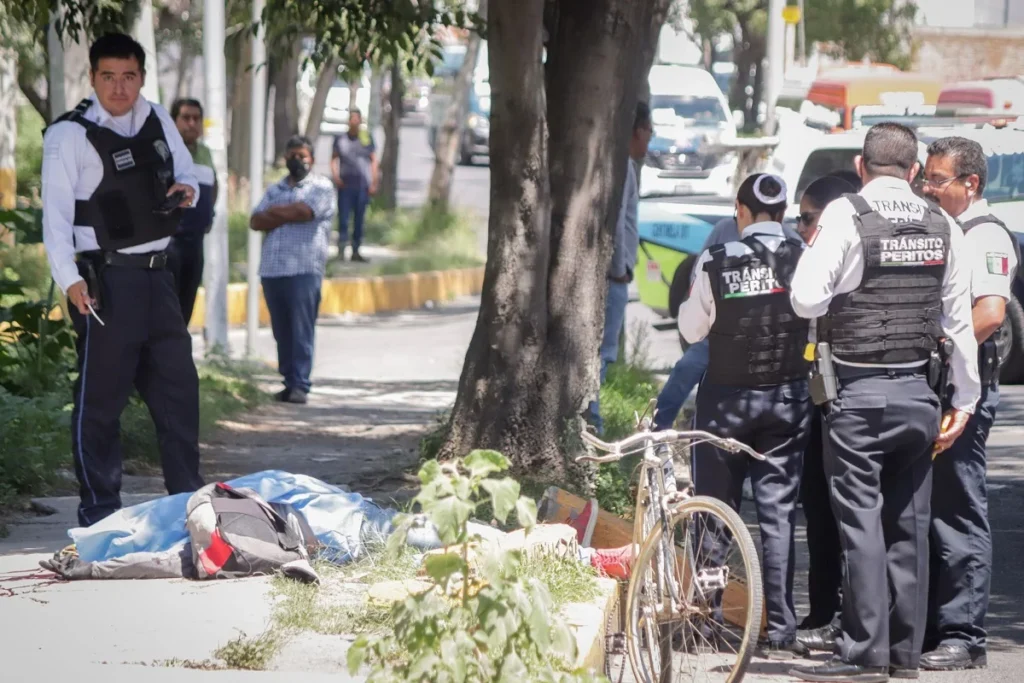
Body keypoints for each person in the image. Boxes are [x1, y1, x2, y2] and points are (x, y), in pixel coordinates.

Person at [788, 122, 981, 683]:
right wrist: (964, 401)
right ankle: (903, 655)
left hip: (858, 393)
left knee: (861, 524)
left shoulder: (847, 216)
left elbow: (805, 298)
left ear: (860, 165)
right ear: (916, 170)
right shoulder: (944, 223)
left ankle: (864, 654)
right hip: (921, 396)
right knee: (909, 524)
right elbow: (959, 325)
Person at [41, 33, 204, 528]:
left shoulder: (157, 118)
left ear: (141, 78)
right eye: (108, 77)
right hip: (105, 285)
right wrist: (70, 282)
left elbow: (189, 173)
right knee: (101, 406)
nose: (119, 87)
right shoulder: (68, 135)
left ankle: (188, 507)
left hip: (159, 280)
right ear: (92, 78)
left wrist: (187, 190)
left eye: (129, 76)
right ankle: (99, 514)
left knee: (179, 396)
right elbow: (55, 219)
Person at [681, 172, 812, 659]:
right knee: (778, 517)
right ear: (782, 215)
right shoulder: (804, 259)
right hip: (786, 401)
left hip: (724, 405)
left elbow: (693, 330)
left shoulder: (715, 260)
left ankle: (705, 621)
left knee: (714, 515)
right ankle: (779, 627)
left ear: (740, 210)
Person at [919, 136, 1019, 671]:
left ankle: (963, 635)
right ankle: (936, 626)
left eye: (937, 180)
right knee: (931, 510)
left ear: (970, 184)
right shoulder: (950, 228)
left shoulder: (985, 235)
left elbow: (989, 314)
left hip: (964, 387)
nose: (928, 189)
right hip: (941, 382)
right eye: (927, 179)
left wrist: (937, 354)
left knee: (958, 509)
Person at [791, 174, 859, 651]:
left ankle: (853, 615)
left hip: (855, 396)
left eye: (807, 217)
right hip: (821, 392)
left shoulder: (849, 253)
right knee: (816, 502)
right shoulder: (810, 253)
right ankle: (823, 609)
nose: (799, 227)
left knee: (850, 512)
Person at [653, 217, 805, 431]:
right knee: (685, 369)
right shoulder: (724, 229)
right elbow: (699, 272)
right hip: (719, 329)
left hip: (765, 334)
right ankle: (657, 428)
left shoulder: (788, 239)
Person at [250, 135, 336, 405]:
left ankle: (300, 383)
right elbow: (255, 220)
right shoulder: (275, 188)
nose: (297, 161)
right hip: (273, 271)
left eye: (303, 156)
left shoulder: (321, 187)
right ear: (285, 158)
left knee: (301, 328)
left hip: (304, 269)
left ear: (312, 159)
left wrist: (275, 214)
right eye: (292, 156)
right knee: (281, 330)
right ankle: (288, 381)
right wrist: (288, 211)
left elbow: (305, 212)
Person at [588, 101, 652, 434]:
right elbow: (616, 220)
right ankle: (591, 423)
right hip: (612, 276)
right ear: (637, 131)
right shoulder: (621, 167)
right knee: (603, 353)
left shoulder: (618, 164)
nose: (650, 141)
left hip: (614, 273)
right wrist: (617, 269)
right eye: (649, 132)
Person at [168, 97, 217, 325]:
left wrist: (209, 216)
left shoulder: (206, 154)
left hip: (195, 243)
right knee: (169, 310)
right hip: (170, 243)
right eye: (185, 118)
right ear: (174, 121)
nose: (191, 123)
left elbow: (213, 187)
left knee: (186, 309)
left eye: (196, 118)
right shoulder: (165, 152)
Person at [331, 108, 377, 262]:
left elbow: (373, 160)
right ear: (349, 121)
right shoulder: (341, 139)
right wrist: (336, 177)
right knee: (343, 219)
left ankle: (356, 250)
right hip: (345, 185)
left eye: (358, 119)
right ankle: (341, 251)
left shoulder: (366, 138)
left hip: (362, 185)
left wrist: (374, 181)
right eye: (352, 119)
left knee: (359, 220)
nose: (355, 122)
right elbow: (334, 158)